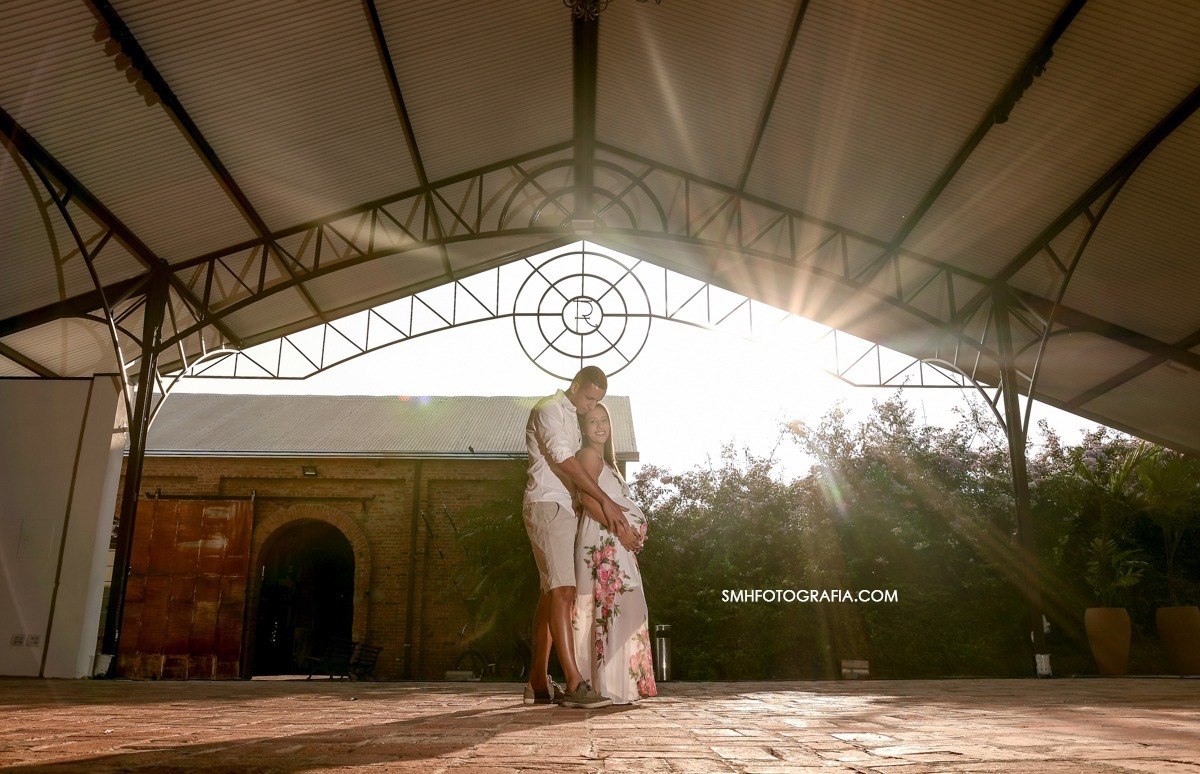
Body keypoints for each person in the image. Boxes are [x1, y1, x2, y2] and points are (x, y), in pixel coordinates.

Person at [522, 366, 631, 709]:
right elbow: (563, 460)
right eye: (588, 398)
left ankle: (538, 682)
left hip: (567, 511)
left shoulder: (576, 415)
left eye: (597, 401)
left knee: (550, 594)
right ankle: (573, 684)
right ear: (574, 385)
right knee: (563, 592)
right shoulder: (548, 410)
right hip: (547, 503)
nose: (590, 407)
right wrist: (605, 500)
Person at [572, 402, 657, 704]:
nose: (599, 426)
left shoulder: (608, 462)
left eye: (603, 419)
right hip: (603, 542)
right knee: (608, 611)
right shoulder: (589, 455)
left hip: (616, 545)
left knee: (625, 608)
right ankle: (605, 687)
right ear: (583, 428)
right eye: (592, 421)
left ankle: (620, 687)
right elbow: (585, 497)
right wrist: (620, 528)